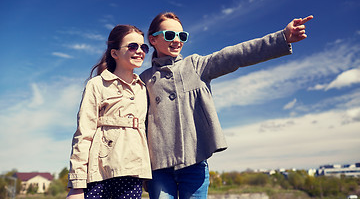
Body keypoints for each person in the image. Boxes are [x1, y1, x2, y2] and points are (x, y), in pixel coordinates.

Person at [140, 12, 313, 199]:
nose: (176, 40)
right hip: (159, 169)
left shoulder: (196, 66)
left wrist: (281, 38)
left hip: (194, 165)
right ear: (153, 39)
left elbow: (235, 55)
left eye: (182, 36)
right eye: (169, 35)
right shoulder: (143, 81)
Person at [66, 25, 152, 199]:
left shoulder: (144, 88)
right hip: (100, 172)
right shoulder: (96, 85)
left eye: (143, 47)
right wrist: (77, 184)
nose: (140, 51)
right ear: (114, 53)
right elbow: (84, 134)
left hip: (133, 173)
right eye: (132, 46)